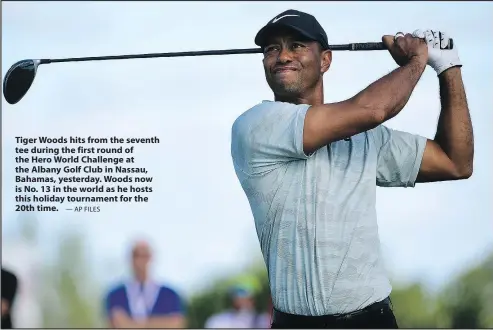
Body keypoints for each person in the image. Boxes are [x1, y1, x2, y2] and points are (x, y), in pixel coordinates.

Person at [231, 9, 473, 329]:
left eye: (297, 45)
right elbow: (373, 109)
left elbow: (456, 162)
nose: (282, 56)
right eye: (271, 49)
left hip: (372, 318)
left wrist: (448, 67)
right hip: (295, 322)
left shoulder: (364, 138)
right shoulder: (254, 126)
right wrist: (417, 61)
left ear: (326, 60)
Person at [104, 240, 186, 328]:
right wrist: (160, 322)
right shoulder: (115, 295)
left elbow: (175, 324)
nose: (140, 261)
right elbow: (114, 324)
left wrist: (130, 324)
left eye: (145, 256)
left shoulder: (170, 294)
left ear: (151, 258)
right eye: (136, 255)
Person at [204, 285, 270, 328]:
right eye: (238, 298)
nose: (242, 301)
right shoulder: (218, 320)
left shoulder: (264, 320)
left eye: (245, 298)